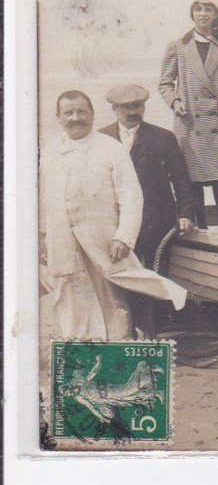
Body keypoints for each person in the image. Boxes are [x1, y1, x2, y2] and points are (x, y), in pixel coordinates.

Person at [40, 90, 186, 341]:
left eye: (81, 111)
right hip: (63, 242)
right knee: (69, 298)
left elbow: (131, 197)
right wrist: (42, 238)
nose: (76, 117)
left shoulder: (111, 148)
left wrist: (124, 238)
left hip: (104, 242)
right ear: (58, 117)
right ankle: (79, 360)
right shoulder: (50, 152)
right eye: (69, 113)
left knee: (112, 300)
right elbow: (42, 200)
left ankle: (119, 355)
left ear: (92, 114)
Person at [99, 83, 195, 336]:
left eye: (138, 106)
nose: (133, 111)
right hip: (115, 222)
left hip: (156, 220)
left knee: (154, 273)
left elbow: (181, 179)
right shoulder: (101, 139)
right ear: (114, 109)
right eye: (127, 107)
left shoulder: (163, 137)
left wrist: (186, 213)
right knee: (118, 274)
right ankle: (124, 329)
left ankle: (153, 331)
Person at [159, 0, 218, 231]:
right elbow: (165, 83)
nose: (203, 14)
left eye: (208, 9)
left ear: (215, 15)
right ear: (192, 15)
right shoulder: (177, 46)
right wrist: (175, 101)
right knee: (193, 178)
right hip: (190, 121)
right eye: (198, 9)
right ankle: (201, 228)